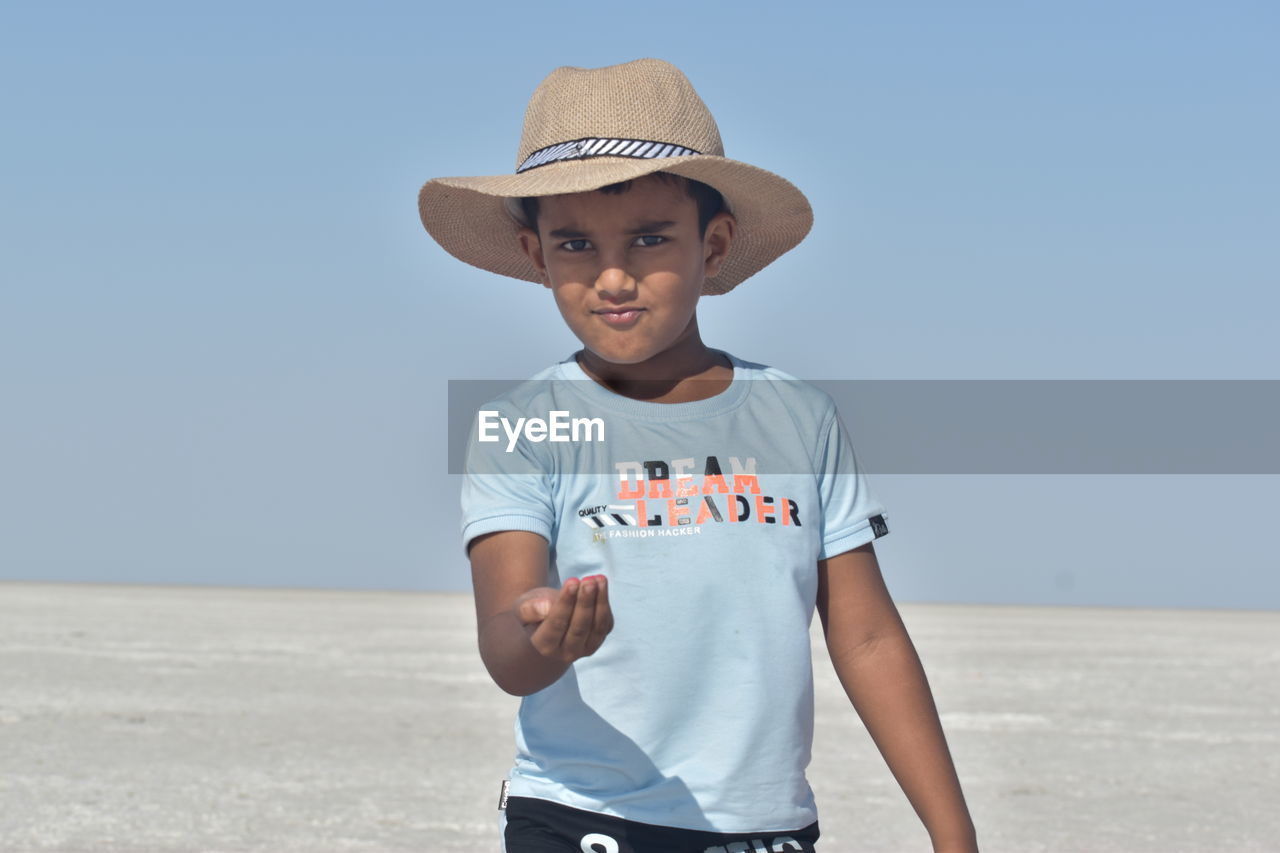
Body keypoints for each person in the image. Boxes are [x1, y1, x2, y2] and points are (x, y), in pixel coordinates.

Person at [418, 58, 978, 853]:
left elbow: (868, 638)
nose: (613, 276)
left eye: (650, 239)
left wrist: (954, 836)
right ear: (536, 254)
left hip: (764, 830)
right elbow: (507, 647)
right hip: (580, 817)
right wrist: (544, 635)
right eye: (575, 243)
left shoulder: (797, 418)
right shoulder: (523, 425)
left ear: (713, 246)